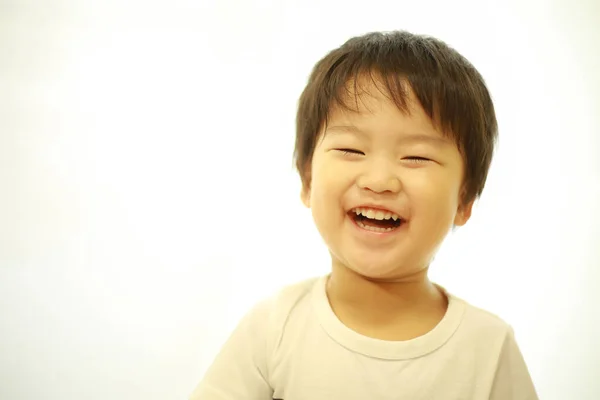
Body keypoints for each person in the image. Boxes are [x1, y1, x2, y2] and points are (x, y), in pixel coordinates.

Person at [191, 30, 538, 399]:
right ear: (308, 179)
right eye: (351, 150)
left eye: (416, 157)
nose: (380, 180)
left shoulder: (488, 347)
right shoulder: (273, 327)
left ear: (464, 199)